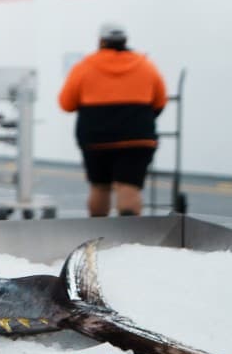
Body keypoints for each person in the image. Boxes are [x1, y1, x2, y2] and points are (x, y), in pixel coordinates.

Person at [58, 23, 167, 217]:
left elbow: (66, 104)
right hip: (137, 138)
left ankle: (100, 237)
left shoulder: (85, 66)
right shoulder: (145, 65)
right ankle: (130, 239)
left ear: (101, 41)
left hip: (97, 139)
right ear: (125, 41)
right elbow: (159, 102)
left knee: (100, 187)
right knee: (129, 188)